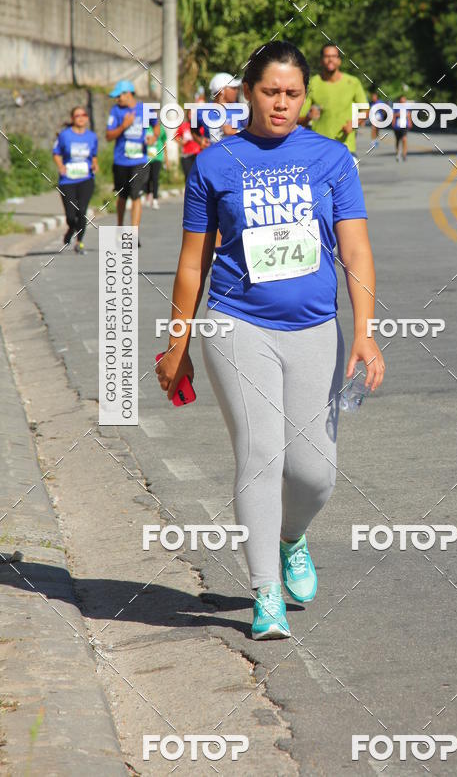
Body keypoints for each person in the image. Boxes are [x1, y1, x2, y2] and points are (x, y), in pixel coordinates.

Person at [156, 41, 385, 640]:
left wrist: (365, 332)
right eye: (269, 91)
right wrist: (177, 343)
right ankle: (265, 594)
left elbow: (356, 250)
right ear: (247, 93)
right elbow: (190, 265)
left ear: (305, 98)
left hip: (315, 328)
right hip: (237, 325)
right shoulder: (215, 164)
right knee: (262, 454)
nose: (280, 103)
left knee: (314, 472)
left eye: (292, 93)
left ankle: (290, 538)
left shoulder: (332, 159)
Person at [298, 44, 368, 161]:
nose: (330, 59)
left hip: (346, 149)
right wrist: (308, 117)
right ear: (321, 60)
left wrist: (355, 123)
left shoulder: (352, 82)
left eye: (334, 56)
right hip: (320, 151)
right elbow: (298, 120)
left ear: (339, 60)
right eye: (326, 56)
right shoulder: (313, 83)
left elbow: (366, 110)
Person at [105, 79, 151, 244]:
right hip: (121, 161)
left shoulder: (144, 110)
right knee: (122, 196)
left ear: (128, 94)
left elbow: (157, 126)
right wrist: (124, 126)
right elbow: (109, 136)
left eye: (119, 95)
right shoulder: (115, 111)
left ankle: (134, 232)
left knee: (136, 195)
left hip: (139, 160)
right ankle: (119, 226)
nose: (117, 99)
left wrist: (152, 137)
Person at [52, 106, 98, 254]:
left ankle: (79, 242)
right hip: (68, 181)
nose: (81, 117)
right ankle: (71, 228)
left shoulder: (92, 136)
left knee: (82, 211)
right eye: (77, 115)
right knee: (71, 216)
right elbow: (56, 153)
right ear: (72, 119)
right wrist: (60, 166)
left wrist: (95, 165)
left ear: (87, 118)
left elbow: (94, 155)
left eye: (83, 115)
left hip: (86, 179)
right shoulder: (64, 135)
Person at [203, 72, 246, 144]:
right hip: (214, 154)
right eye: (233, 88)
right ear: (222, 91)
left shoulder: (240, 110)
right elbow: (194, 129)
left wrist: (235, 132)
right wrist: (200, 141)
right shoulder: (203, 111)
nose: (237, 91)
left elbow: (254, 134)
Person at [144, 120, 168, 208]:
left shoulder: (161, 128)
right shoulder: (145, 128)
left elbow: (164, 143)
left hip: (157, 156)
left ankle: (155, 199)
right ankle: (147, 194)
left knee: (155, 177)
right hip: (146, 156)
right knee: (146, 178)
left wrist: (166, 159)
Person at [393, 95, 412, 162]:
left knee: (404, 139)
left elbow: (409, 115)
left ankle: (404, 154)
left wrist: (410, 122)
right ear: (400, 101)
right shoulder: (396, 107)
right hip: (397, 126)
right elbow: (394, 116)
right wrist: (393, 123)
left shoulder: (407, 107)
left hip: (404, 125)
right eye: (402, 100)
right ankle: (398, 153)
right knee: (398, 140)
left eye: (404, 100)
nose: (403, 101)